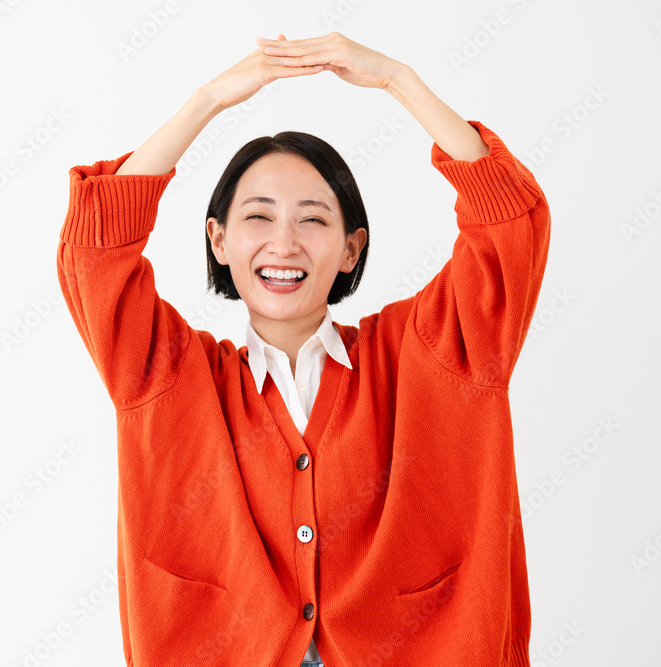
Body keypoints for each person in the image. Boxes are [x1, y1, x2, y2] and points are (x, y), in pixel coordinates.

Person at [56, 31, 550, 667]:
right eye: (258, 217)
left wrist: (399, 80)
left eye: (313, 219)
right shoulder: (166, 373)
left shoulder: (431, 352)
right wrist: (208, 100)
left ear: (350, 248)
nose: (284, 243)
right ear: (218, 241)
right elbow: (94, 253)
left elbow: (508, 225)